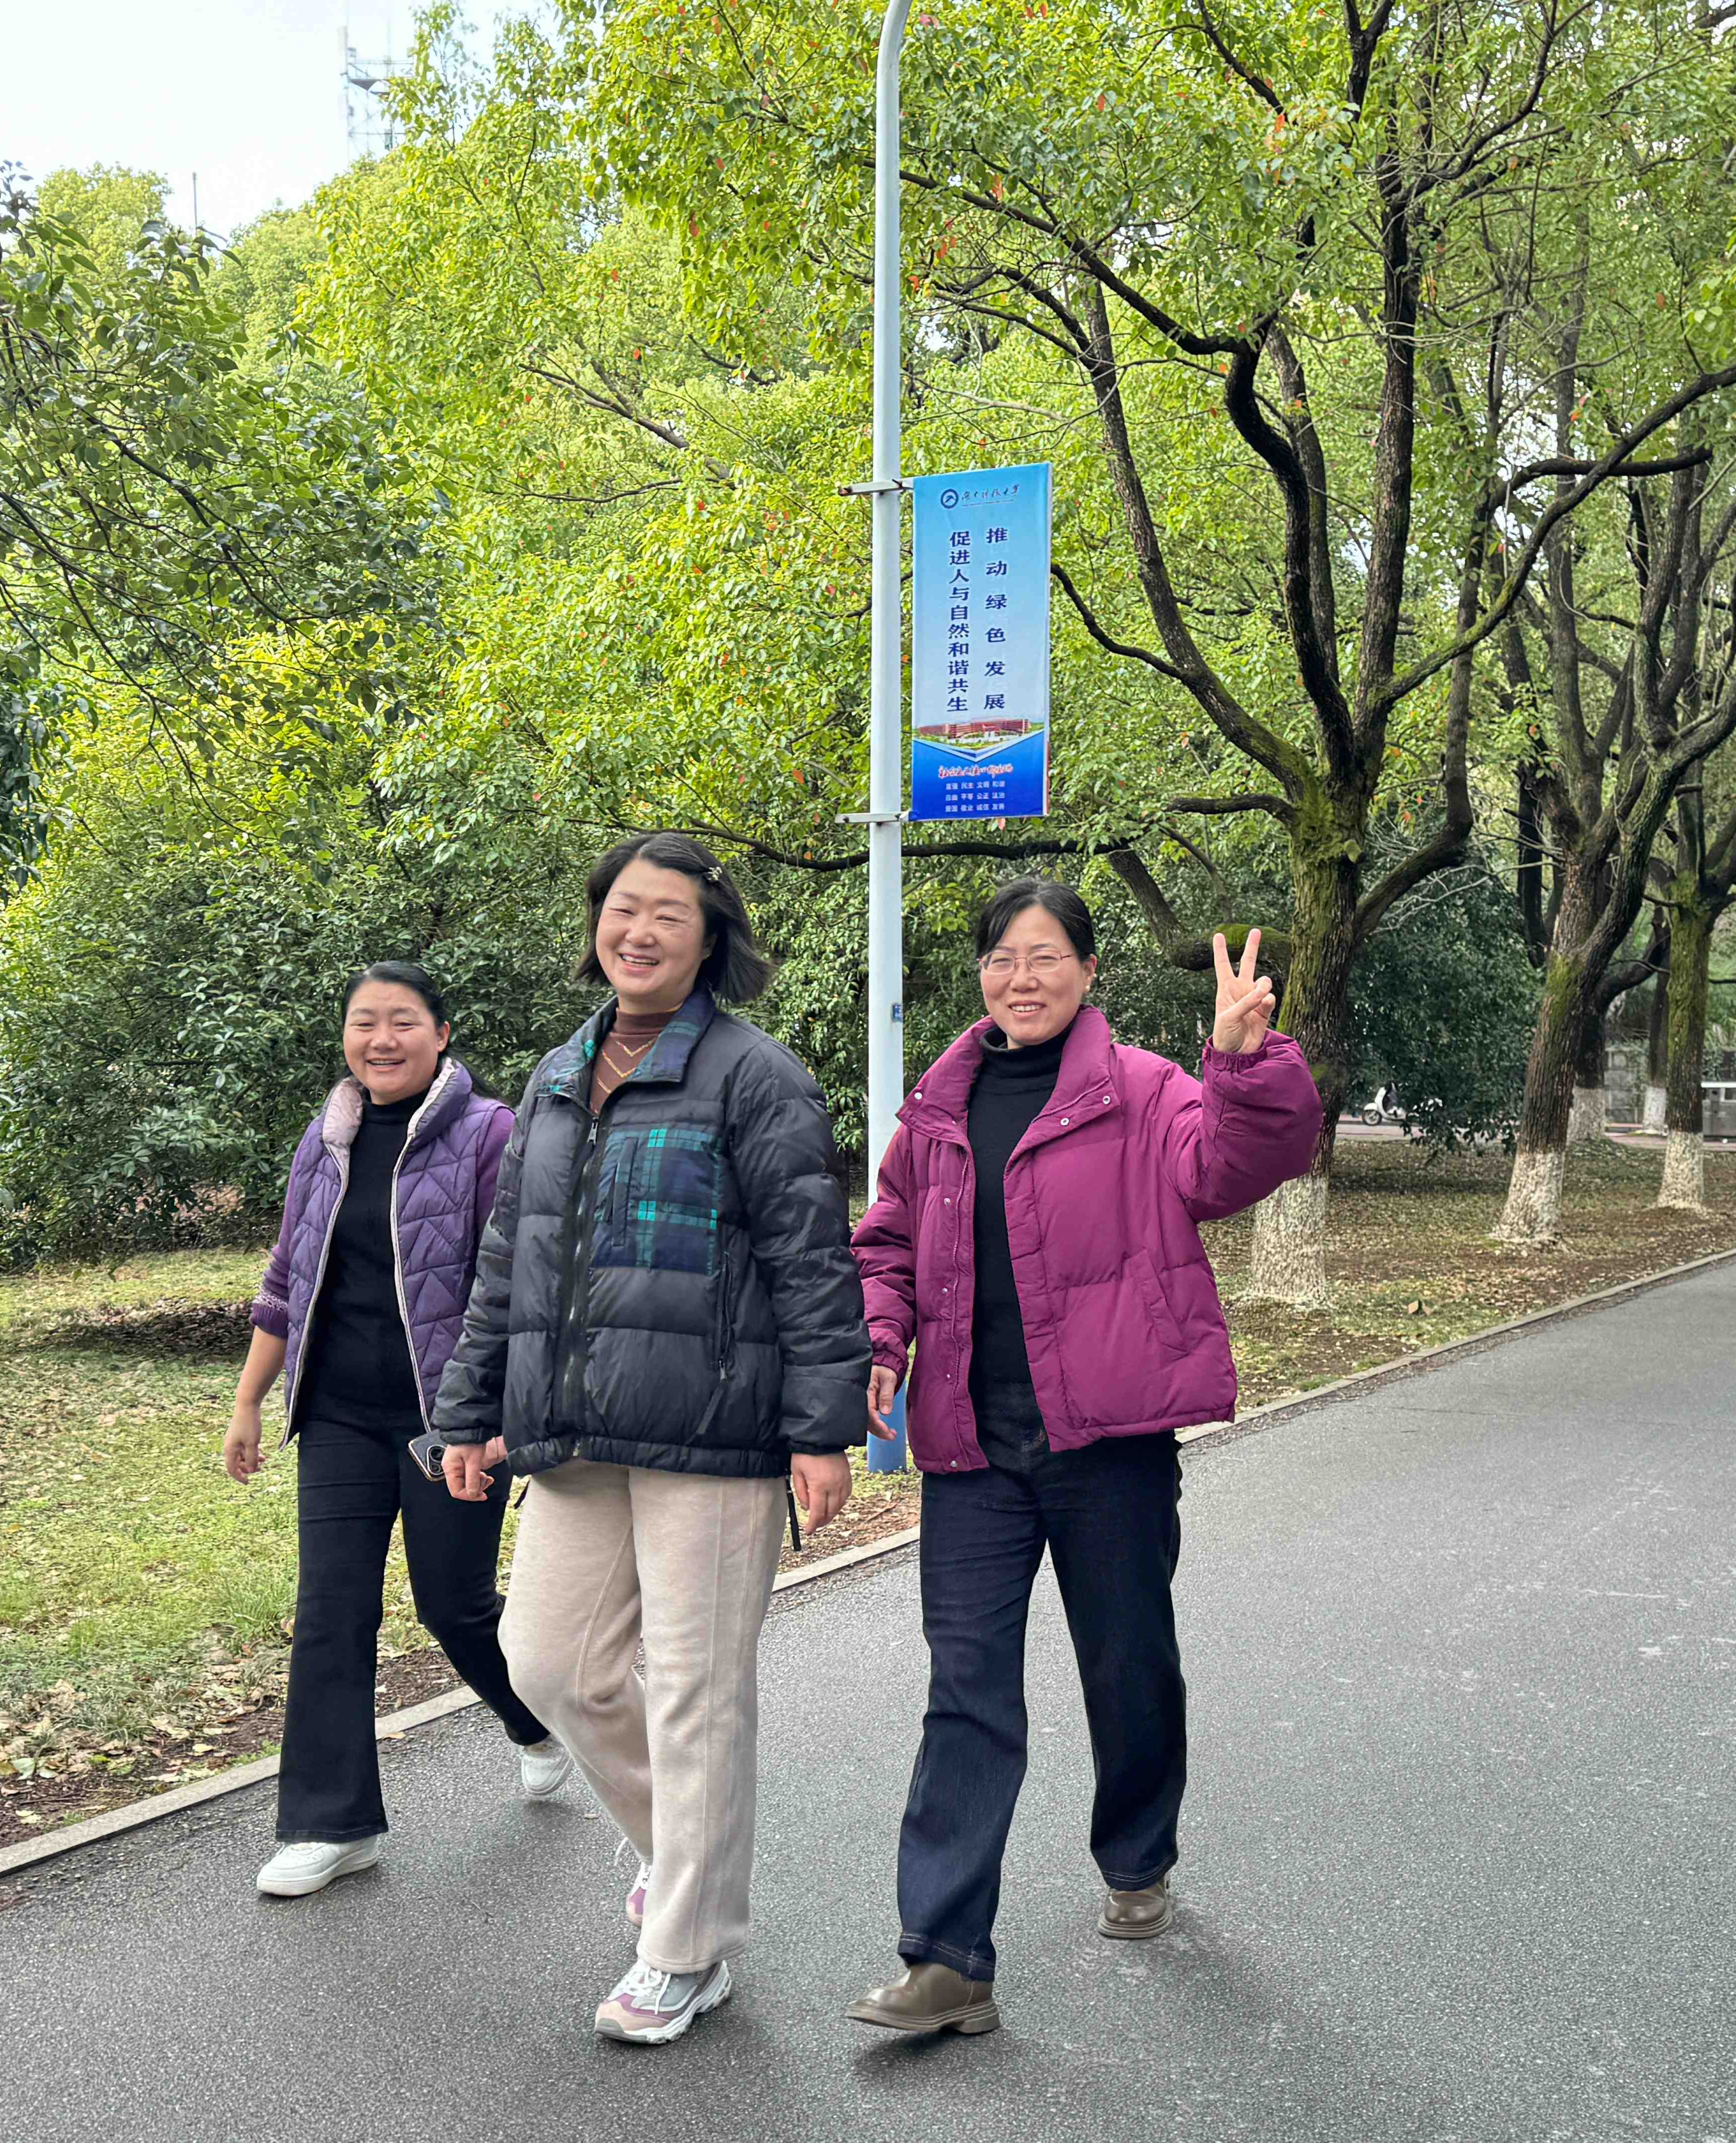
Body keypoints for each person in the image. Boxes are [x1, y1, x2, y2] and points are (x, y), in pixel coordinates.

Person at [841, 881, 1321, 2038]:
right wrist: (880, 1339)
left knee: (1127, 1661)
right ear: (982, 976)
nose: (1023, 977)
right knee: (966, 1688)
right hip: (971, 1446)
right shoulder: (939, 1110)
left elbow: (1234, 1167)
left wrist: (1242, 1063)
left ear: (1089, 970)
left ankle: (1138, 1854)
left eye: (1046, 955)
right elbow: (888, 1242)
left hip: (1108, 1441)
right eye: (1003, 957)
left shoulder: (1145, 1090)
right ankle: (946, 1958)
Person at [432, 833, 869, 2047]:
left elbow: (811, 1260)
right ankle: (684, 1863)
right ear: (597, 925)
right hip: (575, 1426)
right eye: (624, 909)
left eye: (669, 914)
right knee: (549, 1664)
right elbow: (509, 1259)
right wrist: (469, 1407)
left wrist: (822, 1430)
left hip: (715, 1430)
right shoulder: (558, 1072)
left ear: (710, 938)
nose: (641, 932)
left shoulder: (756, 1076)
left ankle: (686, 1950)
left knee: (696, 1693)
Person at [227, 962, 567, 1899]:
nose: (382, 1039)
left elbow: (522, 1283)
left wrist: (496, 1419)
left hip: (447, 1421)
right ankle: (331, 1824)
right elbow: (288, 1276)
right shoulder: (326, 1138)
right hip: (338, 1413)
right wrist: (251, 1399)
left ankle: (534, 1721)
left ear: (442, 1033)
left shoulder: (490, 1134)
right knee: (330, 1611)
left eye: (403, 1021)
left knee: (453, 1605)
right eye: (364, 1021)